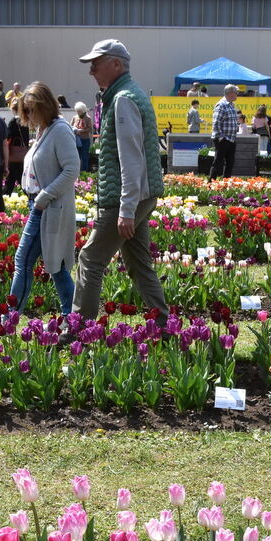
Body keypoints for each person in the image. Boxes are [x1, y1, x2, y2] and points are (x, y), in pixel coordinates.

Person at [67, 39, 169, 334]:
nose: (91, 71)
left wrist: (125, 209)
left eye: (95, 64)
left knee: (90, 257)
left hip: (128, 198)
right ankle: (163, 322)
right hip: (140, 195)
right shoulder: (125, 95)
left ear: (116, 64)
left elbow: (131, 158)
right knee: (137, 261)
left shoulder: (123, 99)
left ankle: (80, 330)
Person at [8, 81, 78, 316]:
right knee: (55, 264)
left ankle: (11, 315)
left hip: (48, 206)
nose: (27, 115)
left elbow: (71, 169)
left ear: (45, 106)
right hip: (40, 204)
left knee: (24, 259)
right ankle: (73, 315)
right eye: (25, 110)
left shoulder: (59, 130)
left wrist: (44, 197)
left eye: (30, 110)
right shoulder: (44, 130)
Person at [209, 84, 240, 180]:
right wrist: (221, 137)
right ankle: (211, 182)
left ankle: (226, 182)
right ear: (230, 93)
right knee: (218, 162)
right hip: (223, 139)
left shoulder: (232, 105)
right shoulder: (221, 105)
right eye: (236, 93)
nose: (237, 95)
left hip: (231, 139)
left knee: (230, 162)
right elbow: (216, 123)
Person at [3, 98, 31, 195]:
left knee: (14, 178)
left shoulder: (13, 122)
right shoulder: (25, 121)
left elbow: (7, 137)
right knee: (14, 178)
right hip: (23, 153)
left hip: (14, 155)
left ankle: (5, 197)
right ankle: (6, 195)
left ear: (13, 109)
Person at [71, 102, 93, 172]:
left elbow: (90, 129)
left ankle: (84, 172)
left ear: (83, 110)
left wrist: (81, 131)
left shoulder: (88, 118)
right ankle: (76, 172)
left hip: (85, 140)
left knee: (84, 157)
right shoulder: (74, 118)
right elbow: (70, 126)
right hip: (76, 140)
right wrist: (74, 130)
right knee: (77, 157)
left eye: (79, 111)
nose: (78, 112)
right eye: (77, 111)